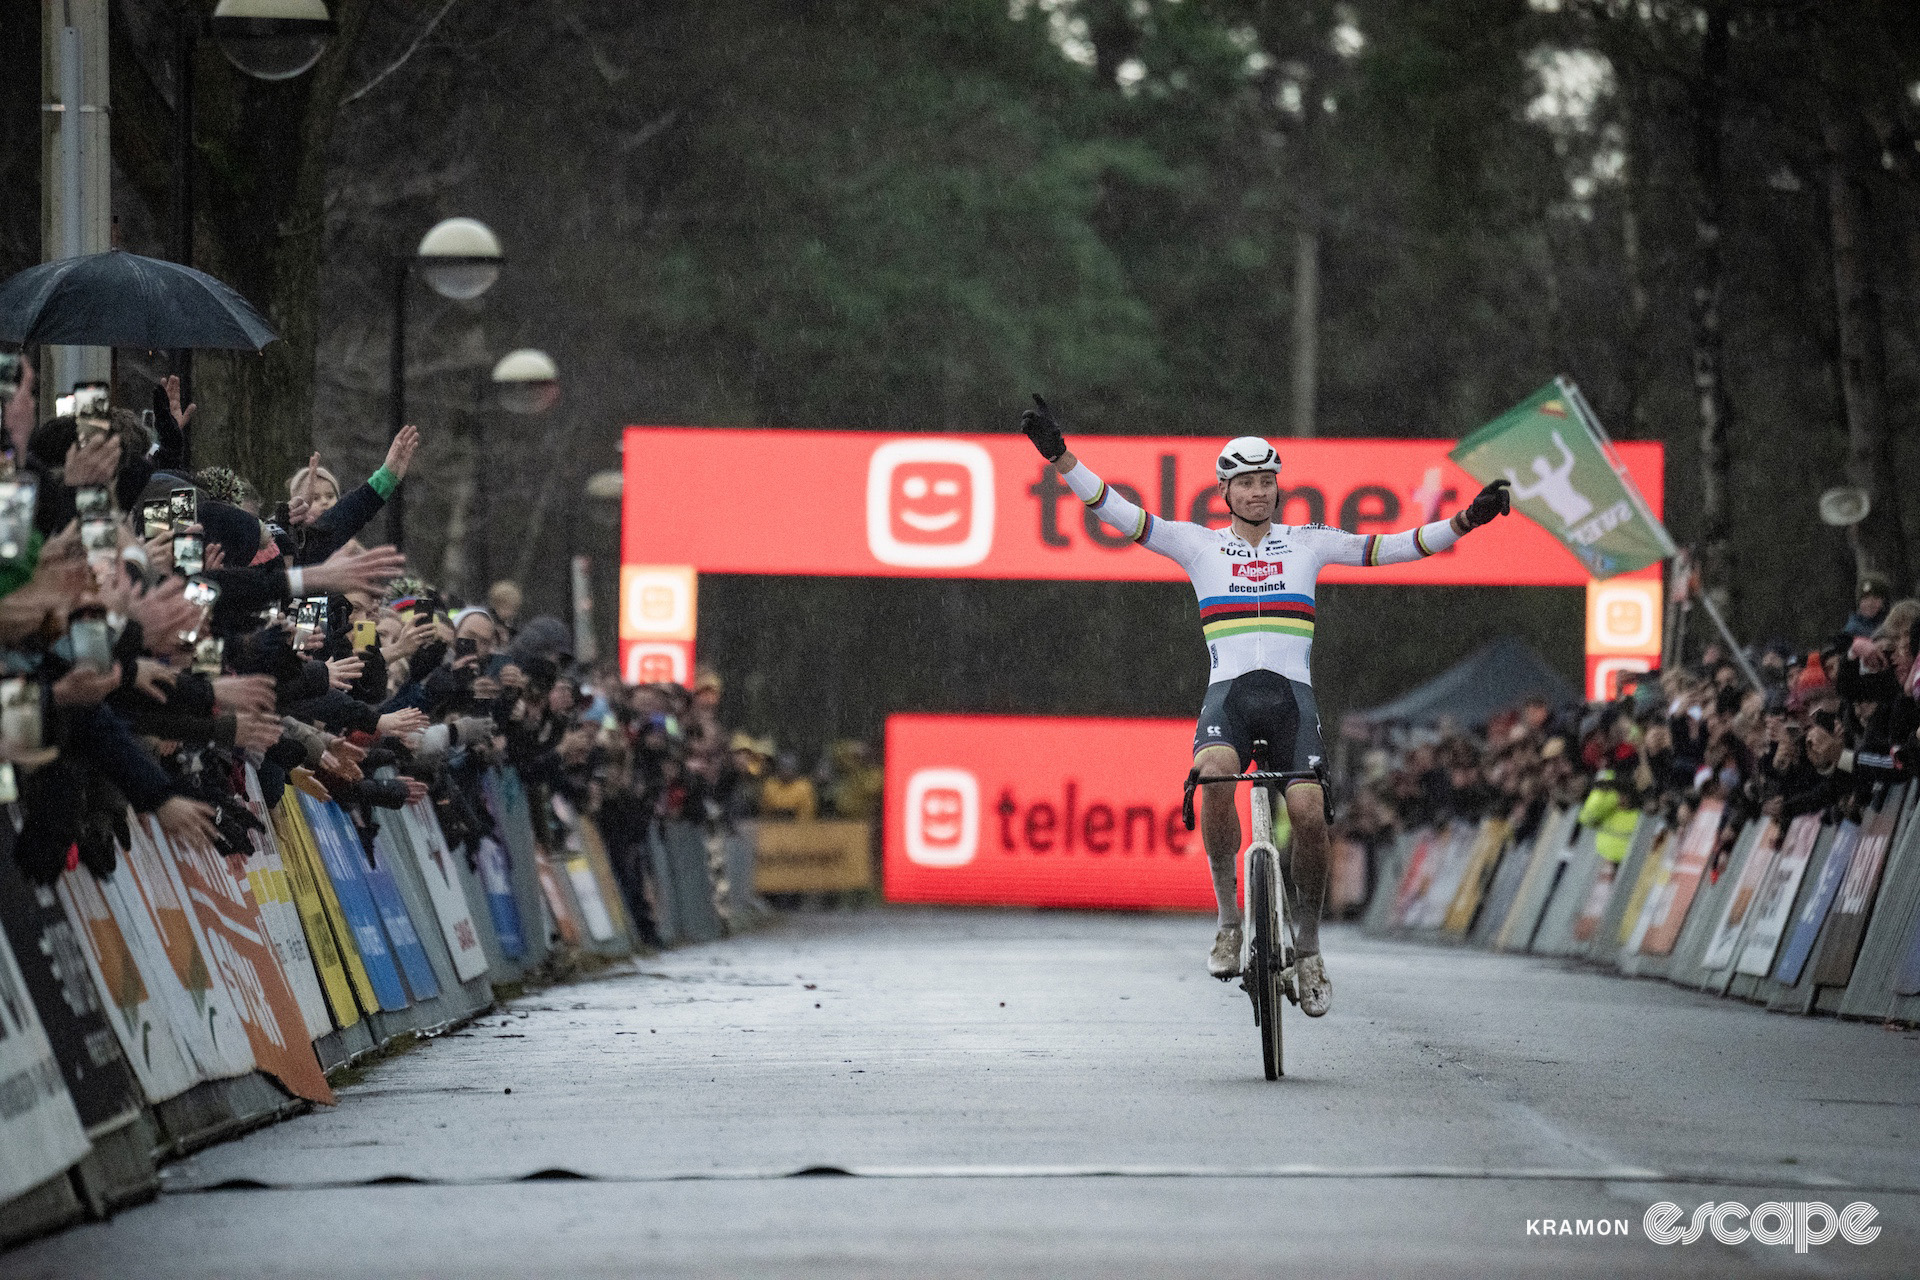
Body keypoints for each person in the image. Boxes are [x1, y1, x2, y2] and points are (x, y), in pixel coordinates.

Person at [1018, 396, 1512, 1015]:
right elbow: (1118, 512)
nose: (1257, 493)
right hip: (1228, 694)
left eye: (1266, 483)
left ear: (1278, 489)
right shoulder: (1196, 544)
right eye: (1245, 484)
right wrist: (1060, 457)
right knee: (1214, 777)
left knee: (1308, 813)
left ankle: (1307, 948)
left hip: (1292, 701)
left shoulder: (1309, 542)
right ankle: (1229, 922)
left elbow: (1395, 546)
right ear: (1225, 492)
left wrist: (1467, 519)